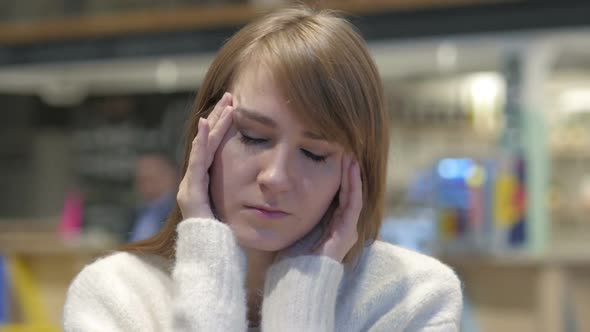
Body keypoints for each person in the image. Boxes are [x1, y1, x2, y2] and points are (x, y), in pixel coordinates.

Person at [63, 5, 462, 331]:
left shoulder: (411, 299)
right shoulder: (118, 295)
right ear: (204, 138)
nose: (275, 177)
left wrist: (303, 292)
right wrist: (207, 259)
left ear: (357, 171)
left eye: (315, 153)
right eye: (253, 137)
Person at [128, 152, 178, 242]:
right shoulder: (139, 211)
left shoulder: (180, 212)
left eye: (152, 179)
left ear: (172, 177)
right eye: (142, 180)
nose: (148, 187)